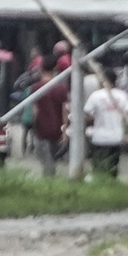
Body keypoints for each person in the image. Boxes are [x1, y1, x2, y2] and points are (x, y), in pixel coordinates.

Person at [83, 68, 128, 179]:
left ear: (103, 80)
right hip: (117, 137)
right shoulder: (123, 95)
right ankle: (112, 184)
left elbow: (87, 115)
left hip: (99, 137)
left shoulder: (96, 96)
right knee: (113, 167)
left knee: (98, 167)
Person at [31, 43, 72, 176]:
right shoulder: (61, 88)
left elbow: (34, 110)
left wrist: (33, 124)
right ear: (55, 68)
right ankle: (51, 177)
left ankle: (48, 178)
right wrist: (65, 129)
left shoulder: (36, 88)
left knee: (45, 158)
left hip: (41, 128)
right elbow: (64, 109)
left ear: (41, 68)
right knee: (53, 157)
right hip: (56, 129)